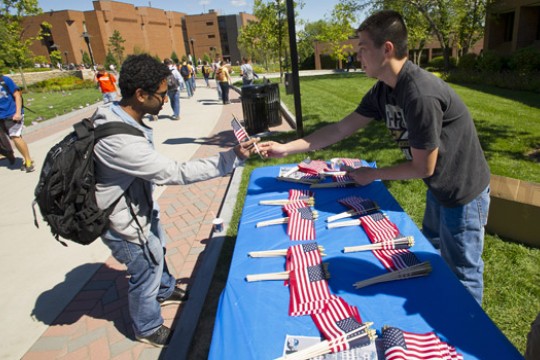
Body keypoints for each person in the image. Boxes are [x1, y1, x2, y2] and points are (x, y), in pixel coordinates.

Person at [259, 10, 491, 305]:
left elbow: (423, 166)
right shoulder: (384, 91)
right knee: (432, 250)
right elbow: (341, 128)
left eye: (363, 49)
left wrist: (373, 174)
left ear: (387, 49)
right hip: (439, 186)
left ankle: (467, 332)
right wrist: (286, 148)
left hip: (463, 192)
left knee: (463, 272)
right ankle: (441, 307)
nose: (359, 57)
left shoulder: (419, 94)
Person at [92, 53, 260, 348]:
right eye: (161, 93)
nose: (166, 99)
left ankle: (165, 288)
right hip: (122, 221)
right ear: (140, 94)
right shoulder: (120, 141)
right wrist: (231, 157)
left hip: (139, 207)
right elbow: (173, 172)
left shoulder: (122, 116)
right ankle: (147, 325)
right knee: (145, 268)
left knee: (158, 250)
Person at [0, 74, 35, 172]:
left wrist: (18, 113)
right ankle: (10, 154)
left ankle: (28, 161)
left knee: (15, 137)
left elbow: (17, 95)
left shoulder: (5, 80)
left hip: (11, 113)